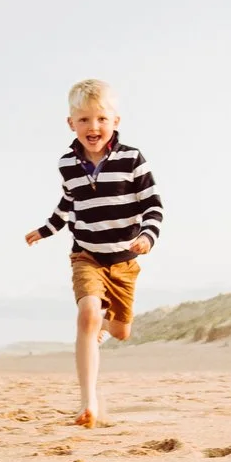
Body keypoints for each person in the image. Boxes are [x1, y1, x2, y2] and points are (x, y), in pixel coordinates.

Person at [24, 79, 161, 426]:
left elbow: (154, 206)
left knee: (120, 332)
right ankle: (88, 404)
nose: (93, 127)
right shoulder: (67, 164)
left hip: (124, 260)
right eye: (83, 120)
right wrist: (45, 230)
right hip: (86, 255)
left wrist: (147, 237)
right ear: (71, 123)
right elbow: (68, 204)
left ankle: (106, 326)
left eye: (100, 118)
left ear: (115, 121)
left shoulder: (132, 159)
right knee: (87, 314)